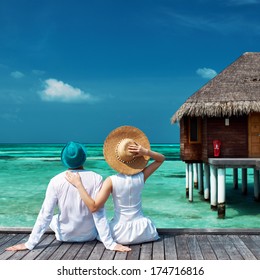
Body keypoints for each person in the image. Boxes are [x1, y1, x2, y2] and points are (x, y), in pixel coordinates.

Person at [6, 141, 130, 252]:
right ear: (84, 158)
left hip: (64, 236)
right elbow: (99, 213)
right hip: (89, 235)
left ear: (64, 159)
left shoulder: (56, 180)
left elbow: (45, 215)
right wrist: (110, 244)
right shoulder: (96, 178)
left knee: (53, 217)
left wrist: (30, 244)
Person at [66, 126, 165, 245]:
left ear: (116, 159)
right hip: (144, 232)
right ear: (135, 159)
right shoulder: (141, 177)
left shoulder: (111, 181)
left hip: (119, 234)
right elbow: (161, 159)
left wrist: (78, 184)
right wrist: (145, 152)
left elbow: (94, 207)